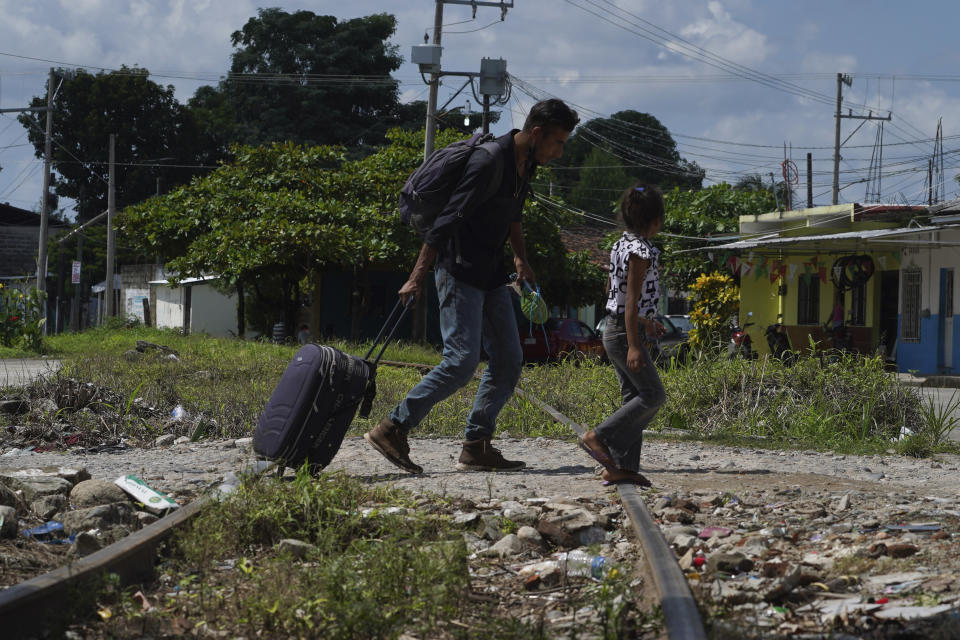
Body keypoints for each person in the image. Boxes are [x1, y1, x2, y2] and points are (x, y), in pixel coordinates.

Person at [365, 99, 580, 474]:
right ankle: (392, 428)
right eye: (558, 142)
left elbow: (514, 212)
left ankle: (476, 446)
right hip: (457, 268)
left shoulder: (526, 163)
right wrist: (417, 276)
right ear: (537, 134)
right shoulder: (487, 163)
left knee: (510, 361)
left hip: (491, 272)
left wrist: (520, 259)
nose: (559, 152)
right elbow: (446, 220)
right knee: (461, 362)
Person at [579, 183, 667, 487]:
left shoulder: (620, 245)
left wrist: (644, 323)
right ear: (654, 220)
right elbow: (629, 299)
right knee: (654, 395)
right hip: (623, 335)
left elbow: (612, 293)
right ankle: (598, 438)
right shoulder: (640, 251)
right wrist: (634, 344)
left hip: (615, 328)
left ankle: (620, 468)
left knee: (634, 398)